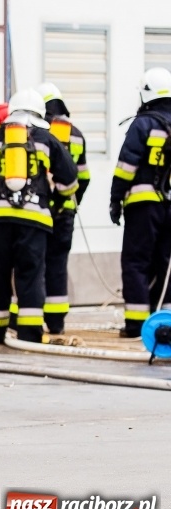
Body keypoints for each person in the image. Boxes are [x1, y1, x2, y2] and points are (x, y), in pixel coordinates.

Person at [0, 89, 78, 343]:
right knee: (30, 275)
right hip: (35, 219)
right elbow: (69, 180)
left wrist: (1, 190)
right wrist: (54, 197)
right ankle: (30, 334)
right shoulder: (47, 139)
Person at [109, 67, 171, 338]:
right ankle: (164, 324)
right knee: (165, 264)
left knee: (136, 262)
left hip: (143, 205)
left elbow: (126, 166)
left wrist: (115, 199)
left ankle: (136, 324)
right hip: (169, 206)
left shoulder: (143, 124)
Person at [35, 82, 90, 334]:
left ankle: (28, 318)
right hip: (65, 212)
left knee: (33, 264)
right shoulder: (76, 134)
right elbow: (84, 177)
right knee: (57, 265)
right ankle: (56, 322)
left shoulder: (37, 132)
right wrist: (70, 203)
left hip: (38, 210)